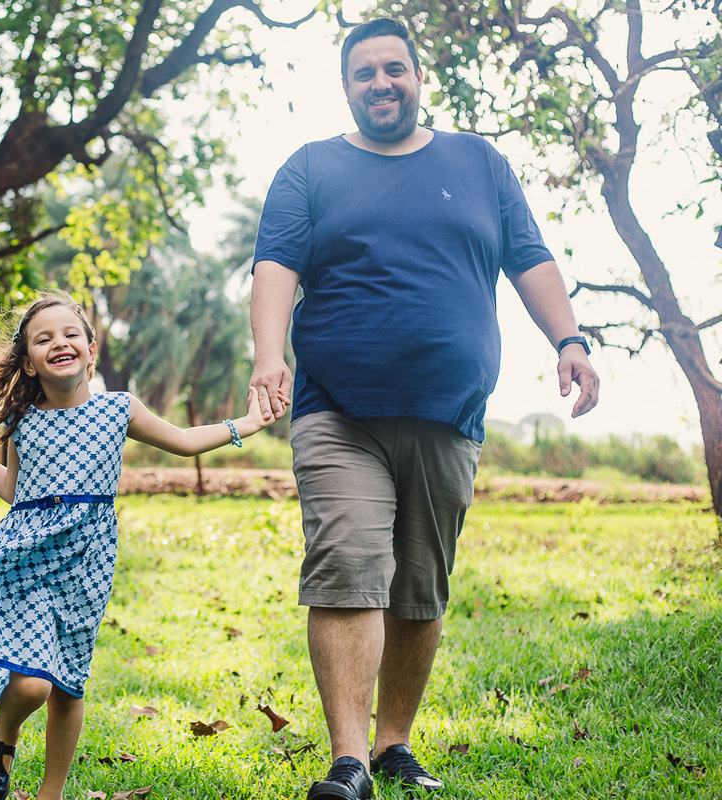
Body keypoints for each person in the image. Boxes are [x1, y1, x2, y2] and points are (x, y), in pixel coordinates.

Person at [248, 18, 600, 800]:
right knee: (348, 567)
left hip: (450, 413)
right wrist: (269, 355)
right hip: (339, 410)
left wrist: (569, 339)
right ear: (347, 87)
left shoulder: (478, 161)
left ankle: (393, 743)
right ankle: (347, 761)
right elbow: (275, 265)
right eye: (364, 73)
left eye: (394, 69)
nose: (381, 84)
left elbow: (529, 257)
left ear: (417, 75)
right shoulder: (311, 168)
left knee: (418, 585)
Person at [0, 293, 285, 800]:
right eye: (44, 338)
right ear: (29, 362)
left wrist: (244, 425)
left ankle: (51, 792)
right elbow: (14, 489)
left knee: (68, 682)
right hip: (26, 556)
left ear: (92, 350)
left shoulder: (119, 409)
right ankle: (3, 738)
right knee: (33, 682)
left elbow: (183, 440)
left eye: (71, 334)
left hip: (87, 565)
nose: (60, 343)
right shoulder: (22, 418)